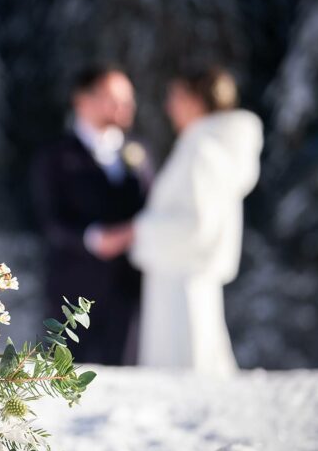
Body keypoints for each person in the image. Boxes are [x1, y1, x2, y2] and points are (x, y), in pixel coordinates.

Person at [93, 67, 263, 375]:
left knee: (187, 372)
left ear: (197, 101)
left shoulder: (202, 150)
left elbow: (196, 224)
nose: (169, 106)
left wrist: (137, 229)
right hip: (182, 278)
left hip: (182, 286)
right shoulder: (204, 146)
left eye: (177, 97)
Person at [31, 65, 148, 365]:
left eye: (128, 98)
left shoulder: (140, 154)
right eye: (112, 97)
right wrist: (95, 239)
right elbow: (49, 220)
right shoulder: (56, 156)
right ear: (82, 100)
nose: (124, 106)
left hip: (129, 293)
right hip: (73, 294)